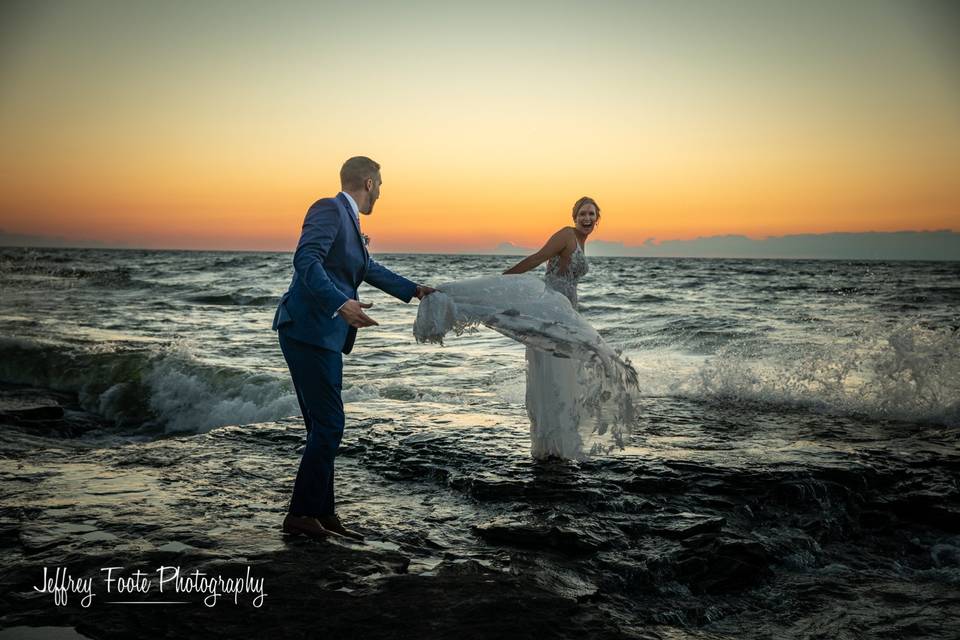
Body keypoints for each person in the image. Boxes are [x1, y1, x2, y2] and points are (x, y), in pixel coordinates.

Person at [272, 156, 434, 540]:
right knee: (330, 424)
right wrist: (340, 303)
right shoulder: (328, 208)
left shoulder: (351, 222)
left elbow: (367, 269)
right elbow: (305, 260)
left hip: (319, 335)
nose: (381, 192)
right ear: (369, 183)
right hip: (308, 330)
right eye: (381, 184)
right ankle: (301, 514)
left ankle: (322, 515)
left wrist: (415, 291)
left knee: (321, 427)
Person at [503, 196, 600, 459]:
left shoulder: (581, 240)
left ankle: (559, 440)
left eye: (591, 214)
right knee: (556, 369)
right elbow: (538, 258)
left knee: (564, 372)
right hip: (551, 311)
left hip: (567, 313)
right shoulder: (566, 235)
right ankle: (550, 441)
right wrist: (503, 279)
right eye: (582, 214)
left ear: (597, 218)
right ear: (574, 216)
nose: (587, 219)